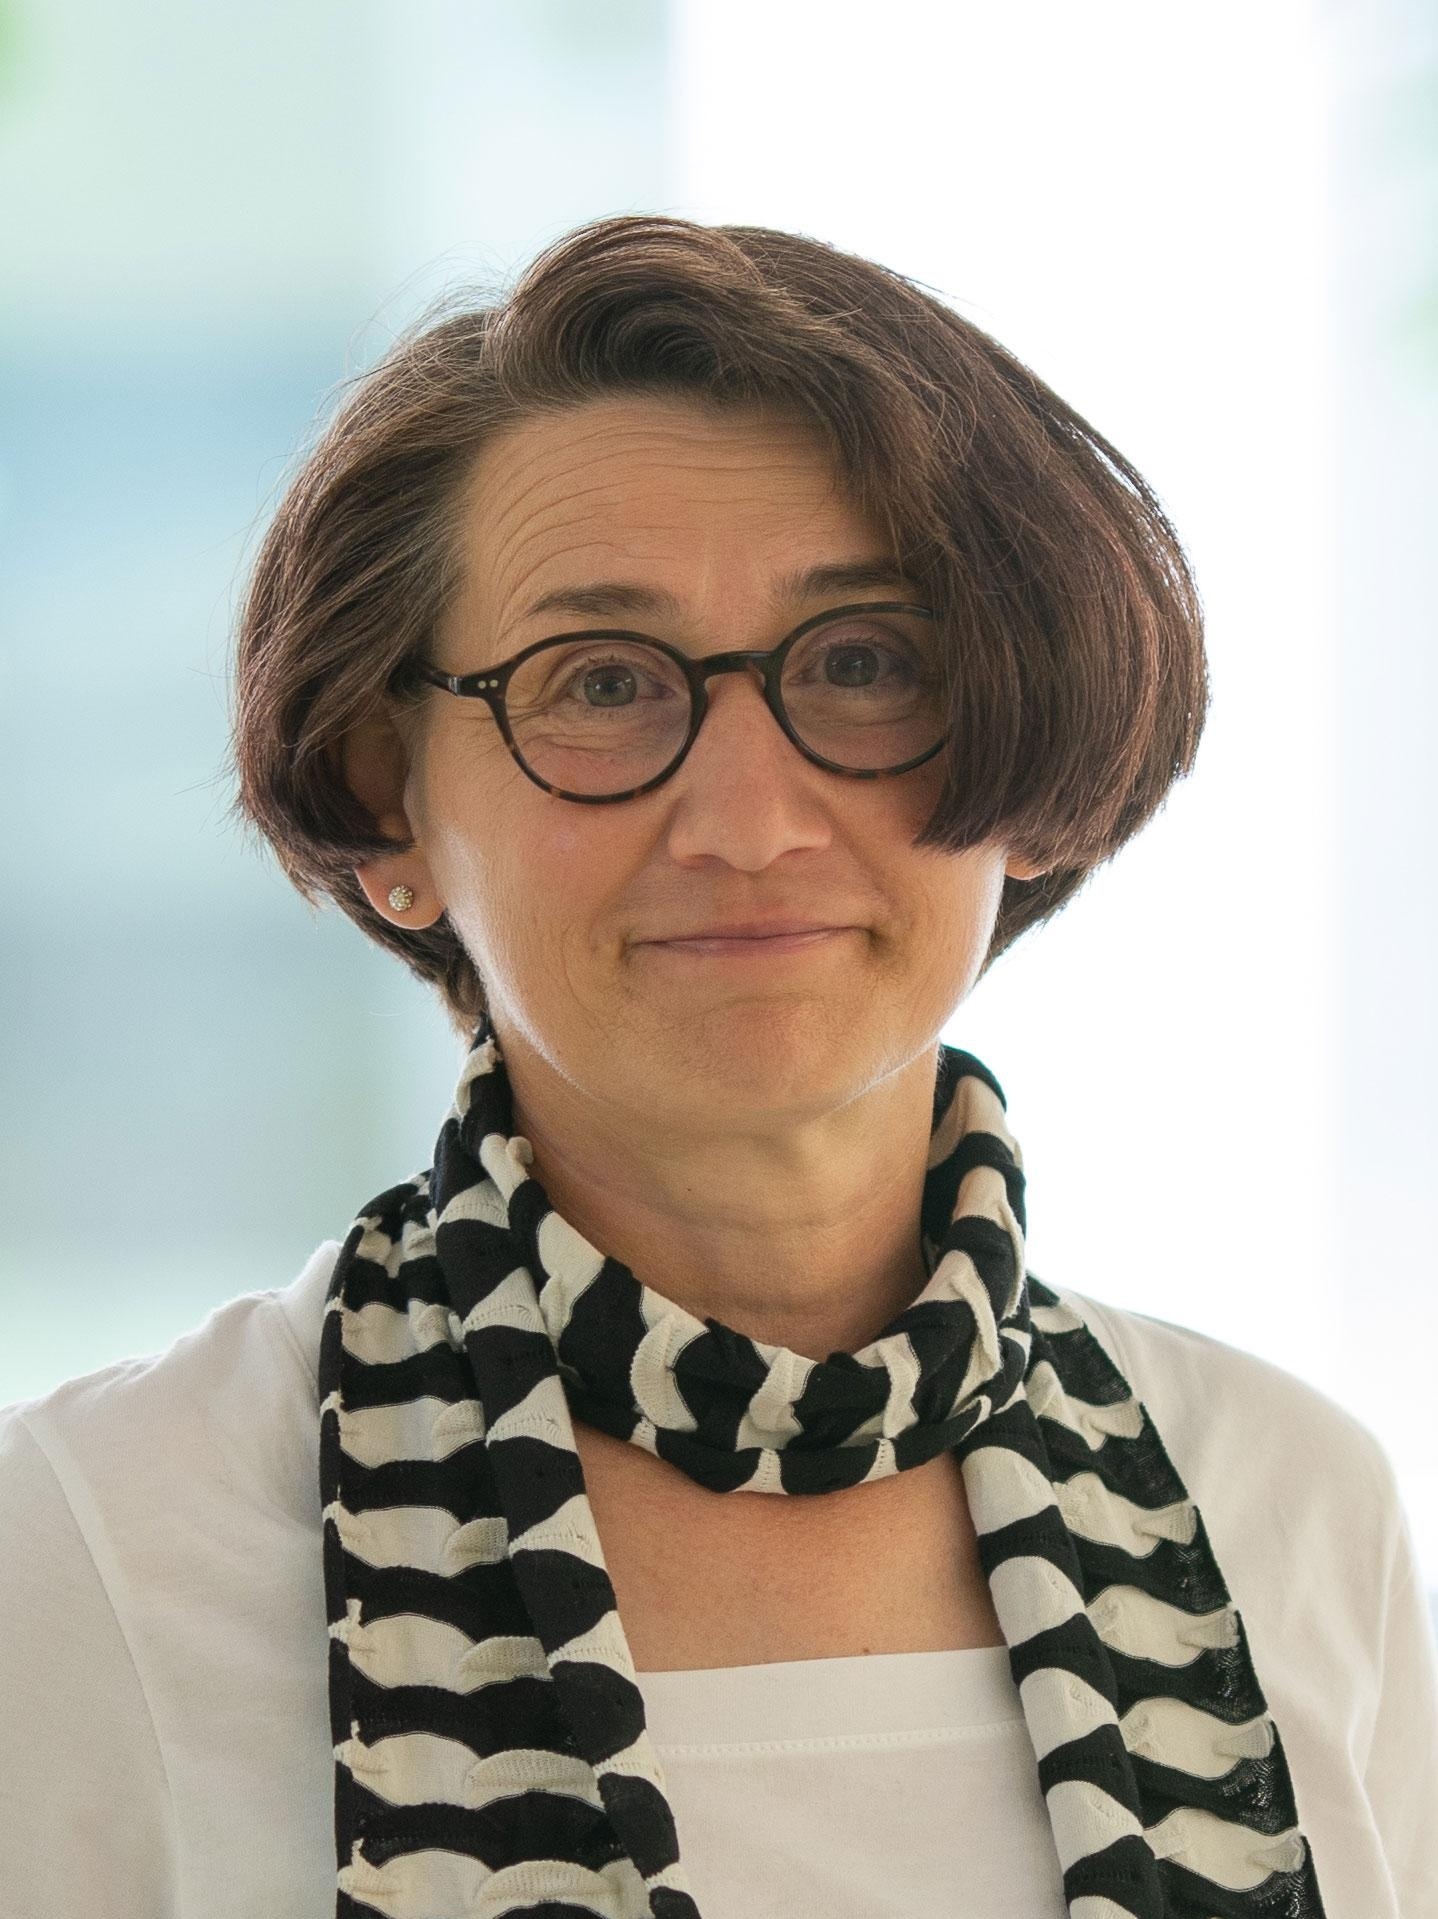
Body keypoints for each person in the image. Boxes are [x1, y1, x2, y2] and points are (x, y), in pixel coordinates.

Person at [1, 213, 1433, 1919]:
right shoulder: (94, 1546)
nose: (748, 823)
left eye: (864, 665)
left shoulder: (1286, 1504)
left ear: (1025, 737)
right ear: (391, 804)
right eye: (600, 682)